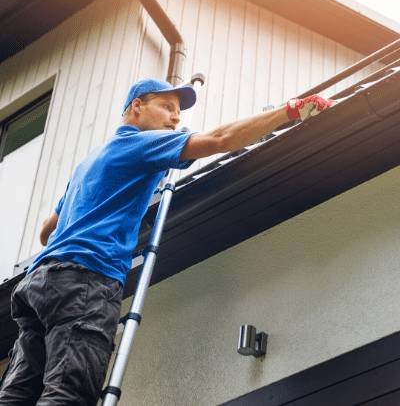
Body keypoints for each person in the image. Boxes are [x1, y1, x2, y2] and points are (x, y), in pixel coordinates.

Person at [0, 78, 333, 405]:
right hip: (85, 282)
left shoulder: (90, 162)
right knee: (68, 391)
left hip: (39, 284)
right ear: (137, 107)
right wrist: (290, 110)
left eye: (178, 111)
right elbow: (220, 138)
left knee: (18, 393)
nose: (176, 118)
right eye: (168, 107)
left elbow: (47, 231)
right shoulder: (140, 144)